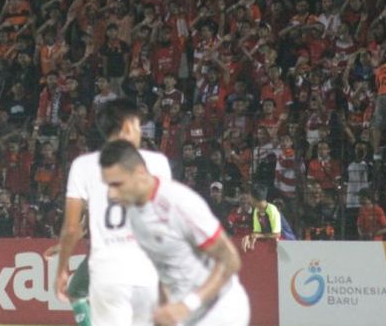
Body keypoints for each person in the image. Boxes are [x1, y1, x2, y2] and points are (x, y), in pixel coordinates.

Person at [99, 140, 250, 326]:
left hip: (220, 310)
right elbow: (162, 266)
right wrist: (164, 309)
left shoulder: (179, 203)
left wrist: (187, 305)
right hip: (184, 314)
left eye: (117, 184)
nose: (111, 195)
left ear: (139, 172)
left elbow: (230, 260)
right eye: (108, 185)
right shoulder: (132, 212)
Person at [55, 98, 173, 326]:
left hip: (106, 273)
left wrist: (62, 269)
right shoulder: (158, 163)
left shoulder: (83, 165)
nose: (140, 132)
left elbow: (71, 227)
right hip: (144, 270)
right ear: (128, 126)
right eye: (138, 126)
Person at [242, 185, 281, 251]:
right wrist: (250, 237)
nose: (249, 200)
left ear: (255, 199)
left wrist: (258, 236)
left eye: (250, 197)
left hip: (283, 245)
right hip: (268, 246)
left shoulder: (272, 210)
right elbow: (257, 232)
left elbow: (277, 235)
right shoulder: (256, 211)